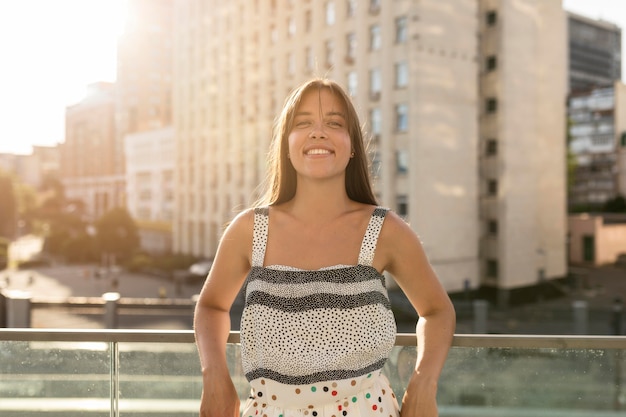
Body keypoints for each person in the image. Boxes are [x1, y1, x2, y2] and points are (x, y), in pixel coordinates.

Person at [194, 78, 456, 417]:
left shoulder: (385, 230)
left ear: (352, 147)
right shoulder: (249, 230)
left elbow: (437, 311)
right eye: (303, 123)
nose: (318, 132)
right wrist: (214, 375)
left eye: (334, 123)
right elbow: (211, 306)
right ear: (286, 144)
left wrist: (423, 384)